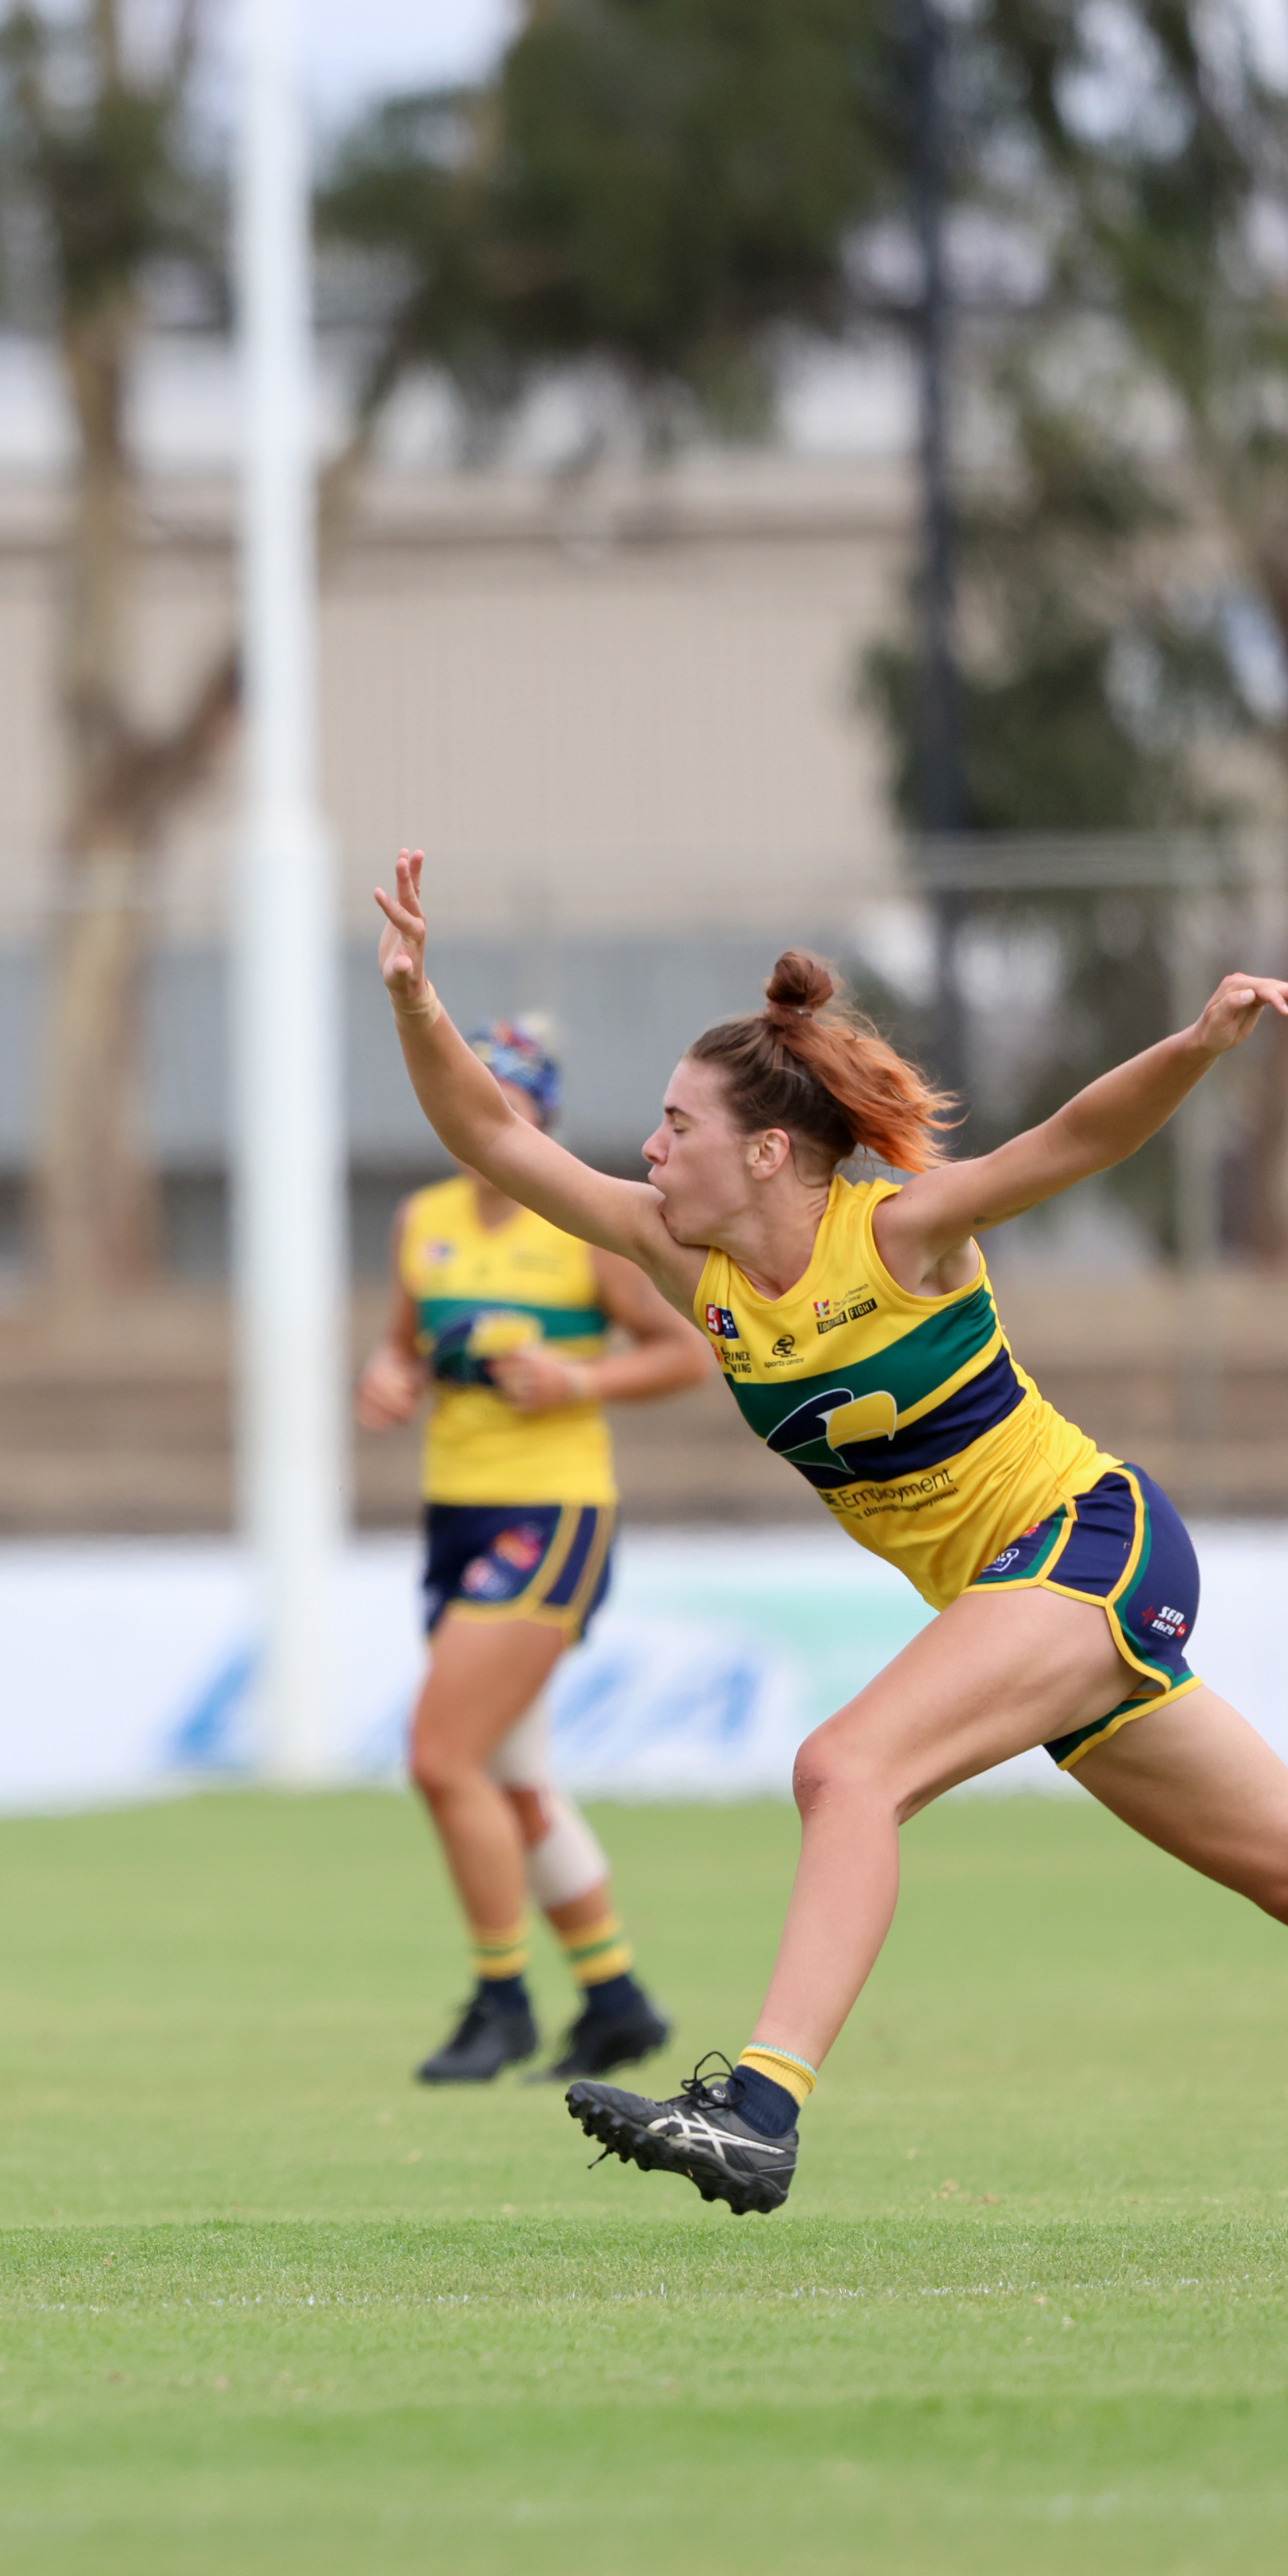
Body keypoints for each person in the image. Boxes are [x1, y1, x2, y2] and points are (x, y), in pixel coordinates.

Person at [376, 846, 1288, 2213]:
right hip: (1029, 1596)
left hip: (1091, 1547)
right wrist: (413, 1000)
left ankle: (759, 2111)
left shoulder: (905, 1234)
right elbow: (493, 1139)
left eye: (677, 1125)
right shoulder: (694, 1267)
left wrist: (1204, 1039)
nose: (648, 1146)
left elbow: (1076, 1139)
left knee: (845, 1768)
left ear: (766, 1149)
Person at [354, 1016, 705, 2087]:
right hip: (455, 1513)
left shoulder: (584, 1226)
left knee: (440, 1755)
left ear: (542, 1116)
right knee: (511, 1778)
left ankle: (500, 2000)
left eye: (513, 1103)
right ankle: (615, 1999)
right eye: (476, 1099)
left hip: (548, 1515)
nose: (490, 1122)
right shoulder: (425, 1222)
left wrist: (577, 1380)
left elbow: (687, 1350)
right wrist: (388, 1377)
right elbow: (405, 1341)